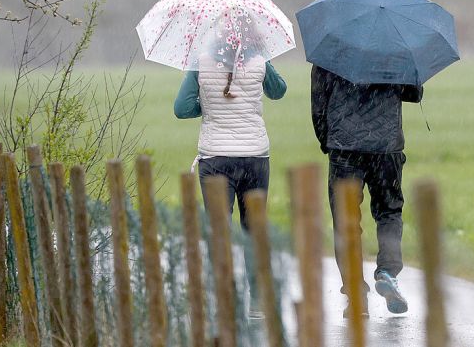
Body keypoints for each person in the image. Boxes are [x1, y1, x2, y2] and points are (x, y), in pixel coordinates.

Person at [174, 50, 286, 317]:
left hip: (216, 159)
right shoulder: (259, 58)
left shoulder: (200, 61)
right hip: (254, 157)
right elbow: (278, 90)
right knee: (253, 228)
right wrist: (264, 60)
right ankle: (258, 301)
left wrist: (208, 104)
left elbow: (182, 108)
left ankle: (224, 296)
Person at [311, 64, 423, 317]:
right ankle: (387, 272)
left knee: (345, 221)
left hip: (344, 147)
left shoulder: (331, 50)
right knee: (389, 212)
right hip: (387, 147)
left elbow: (318, 103)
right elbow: (413, 94)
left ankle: (356, 297)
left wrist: (327, 141)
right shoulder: (394, 46)